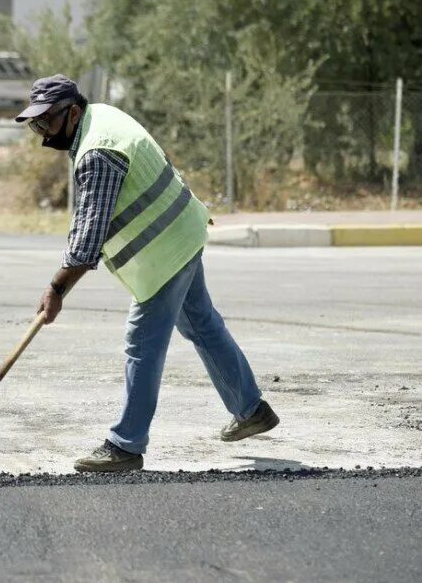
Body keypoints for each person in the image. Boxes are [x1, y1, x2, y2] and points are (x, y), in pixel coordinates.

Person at [16, 74, 279, 472]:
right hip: (183, 229)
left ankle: (126, 444)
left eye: (47, 122)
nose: (43, 133)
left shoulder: (98, 152)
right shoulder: (101, 117)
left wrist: (56, 288)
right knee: (201, 323)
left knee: (143, 342)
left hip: (165, 250)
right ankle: (251, 408)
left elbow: (88, 236)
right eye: (36, 125)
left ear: (71, 112)